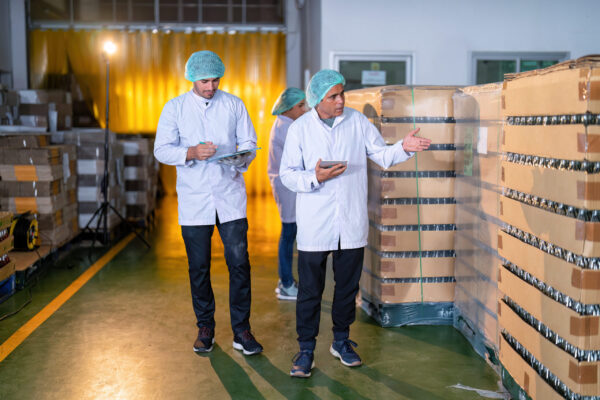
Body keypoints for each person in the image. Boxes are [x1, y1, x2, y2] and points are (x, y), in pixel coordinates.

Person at [280, 70, 431, 377]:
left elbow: (382, 155)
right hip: (315, 222)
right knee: (310, 290)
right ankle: (306, 349)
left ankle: (341, 341)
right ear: (317, 100)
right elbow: (288, 175)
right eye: (333, 96)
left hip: (350, 221)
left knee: (347, 288)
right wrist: (315, 177)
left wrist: (403, 147)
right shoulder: (300, 129)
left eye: (342, 94)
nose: (340, 101)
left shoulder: (357, 122)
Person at [154, 50, 263, 356]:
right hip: (194, 200)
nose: (211, 86)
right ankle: (205, 328)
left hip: (230, 197)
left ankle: (242, 330)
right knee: (199, 267)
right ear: (192, 79)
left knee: (239, 264)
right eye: (205, 81)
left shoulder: (234, 104)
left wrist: (242, 157)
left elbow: (249, 142)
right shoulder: (175, 108)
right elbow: (161, 149)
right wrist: (190, 153)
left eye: (216, 80)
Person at [267, 88, 307, 301]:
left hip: (286, 185)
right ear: (288, 108)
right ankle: (286, 284)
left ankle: (285, 281)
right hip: (287, 186)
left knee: (289, 233)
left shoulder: (285, 124)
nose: (304, 109)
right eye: (300, 106)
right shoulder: (286, 127)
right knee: (289, 233)